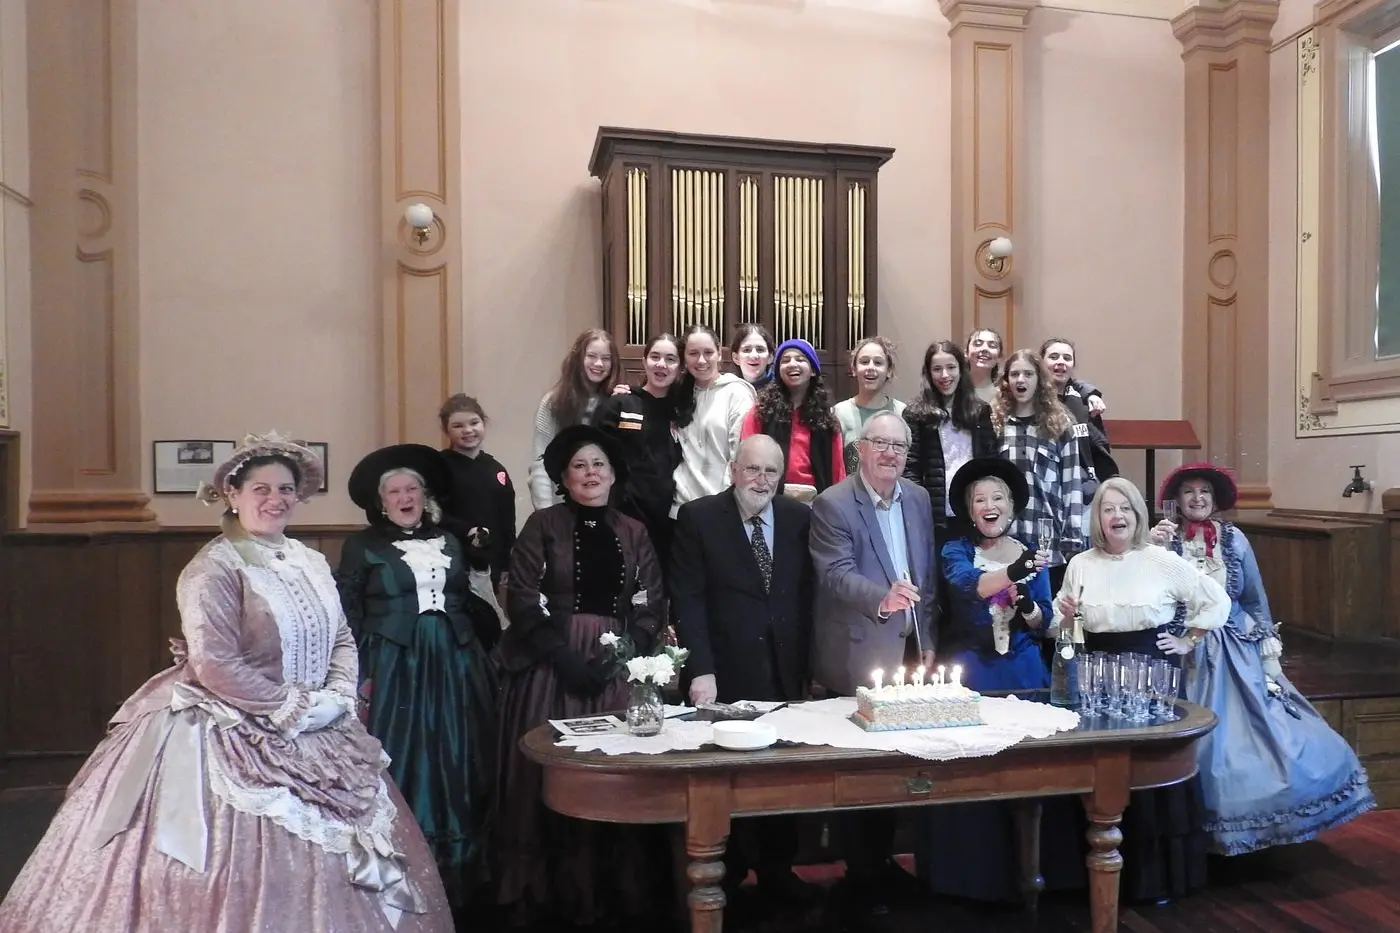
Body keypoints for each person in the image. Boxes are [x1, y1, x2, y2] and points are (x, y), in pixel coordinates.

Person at [0, 433, 453, 933]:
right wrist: (295, 709)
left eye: (286, 489)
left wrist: (339, 697)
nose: (275, 499)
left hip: (323, 726)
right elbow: (214, 663)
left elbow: (342, 635)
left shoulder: (308, 560)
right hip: (234, 725)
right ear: (232, 495)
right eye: (261, 489)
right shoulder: (213, 568)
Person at [494, 425, 669, 928]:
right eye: (579, 466)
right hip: (553, 668)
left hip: (615, 671)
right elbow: (523, 596)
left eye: (598, 465)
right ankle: (546, 891)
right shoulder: (542, 525)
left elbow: (651, 601)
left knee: (616, 778)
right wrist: (563, 657)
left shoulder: (633, 530)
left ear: (613, 474)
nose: (590, 473)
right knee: (549, 775)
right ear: (564, 478)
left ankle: (616, 889)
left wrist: (622, 655)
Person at [1151, 463, 1374, 855]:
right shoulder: (1165, 544)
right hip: (1186, 651)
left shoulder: (1235, 540)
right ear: (1176, 501)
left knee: (1265, 734)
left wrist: (1269, 656)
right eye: (1188, 491)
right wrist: (1150, 549)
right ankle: (1193, 837)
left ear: (1215, 498)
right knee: (1199, 743)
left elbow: (1255, 600)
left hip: (1236, 649)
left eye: (1205, 490)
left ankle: (1259, 824)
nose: (1197, 498)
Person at [917, 458, 1089, 902]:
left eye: (997, 499)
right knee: (973, 773)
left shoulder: (1030, 548)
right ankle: (973, 879)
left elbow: (1044, 619)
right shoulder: (955, 549)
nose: (989, 506)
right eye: (980, 500)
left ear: (1011, 507)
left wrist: (1029, 606)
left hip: (1025, 672)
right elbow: (968, 584)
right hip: (972, 674)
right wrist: (1016, 572)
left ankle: (1044, 872)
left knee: (1034, 771)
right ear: (970, 511)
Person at [336, 444, 499, 911]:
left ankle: (462, 863)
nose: (404, 497)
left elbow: (467, 594)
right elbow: (349, 607)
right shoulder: (362, 545)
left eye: (411, 489)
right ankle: (402, 859)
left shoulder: (449, 541)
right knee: (405, 751)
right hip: (395, 663)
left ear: (423, 496)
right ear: (381, 500)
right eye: (394, 491)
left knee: (460, 749)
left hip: (455, 660)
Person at [1054, 478, 1229, 903]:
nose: (1117, 516)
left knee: (1150, 773)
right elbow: (1068, 631)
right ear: (1097, 518)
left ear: (1137, 516)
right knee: (1106, 773)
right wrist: (1067, 619)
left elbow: (1216, 602)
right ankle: (1097, 874)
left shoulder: (1161, 561)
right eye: (1108, 509)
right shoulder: (1080, 564)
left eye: (1126, 509)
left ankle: (1155, 881)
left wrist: (1188, 640)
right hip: (1097, 675)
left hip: (1152, 672)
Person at [671, 435, 816, 905]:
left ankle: (778, 871)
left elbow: (808, 596)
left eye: (771, 471)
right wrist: (700, 670)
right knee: (727, 776)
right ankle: (726, 874)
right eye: (752, 469)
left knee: (781, 779)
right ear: (733, 470)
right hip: (724, 673)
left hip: (784, 673)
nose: (761, 480)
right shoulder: (698, 518)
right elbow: (688, 601)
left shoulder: (798, 518)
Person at [809, 410, 938, 915]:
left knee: (899, 765)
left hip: (911, 648)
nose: (890, 454)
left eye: (899, 447)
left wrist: (929, 638)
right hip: (859, 648)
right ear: (859, 448)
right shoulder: (833, 503)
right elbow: (834, 574)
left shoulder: (920, 499)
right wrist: (882, 598)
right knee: (859, 768)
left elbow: (923, 572)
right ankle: (860, 877)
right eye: (880, 443)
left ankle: (883, 864)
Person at [595, 332, 684, 579]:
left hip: (668, 519)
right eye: (655, 357)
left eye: (670, 359)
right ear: (644, 361)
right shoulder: (622, 403)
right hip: (625, 515)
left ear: (680, 367)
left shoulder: (683, 411)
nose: (661, 365)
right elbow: (598, 457)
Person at [903, 339, 999, 534]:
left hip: (974, 512)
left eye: (951, 367)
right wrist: (921, 508)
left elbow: (991, 462)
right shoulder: (916, 413)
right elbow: (910, 468)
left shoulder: (979, 410)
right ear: (928, 373)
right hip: (933, 517)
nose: (944, 375)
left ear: (961, 369)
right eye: (937, 369)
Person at [527, 328, 623, 510]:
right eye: (592, 356)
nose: (599, 364)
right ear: (578, 358)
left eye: (606, 358)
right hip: (562, 503)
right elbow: (540, 464)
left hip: (606, 506)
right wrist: (546, 514)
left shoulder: (617, 401)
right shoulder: (553, 402)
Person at [740, 337, 846, 501]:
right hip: (769, 498)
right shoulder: (760, 412)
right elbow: (747, 457)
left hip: (815, 501)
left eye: (800, 359)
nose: (792, 364)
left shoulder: (826, 419)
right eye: (785, 360)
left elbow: (837, 469)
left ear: (812, 370)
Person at [672, 324, 757, 514]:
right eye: (693, 353)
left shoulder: (736, 392)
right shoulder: (678, 393)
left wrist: (727, 502)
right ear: (684, 357)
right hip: (681, 505)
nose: (701, 360)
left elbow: (740, 454)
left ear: (719, 353)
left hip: (721, 505)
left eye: (708, 352)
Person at [438, 393, 516, 587]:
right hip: (451, 561)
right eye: (458, 426)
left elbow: (507, 519)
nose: (468, 430)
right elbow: (434, 514)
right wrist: (466, 531)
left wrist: (507, 562)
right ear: (446, 430)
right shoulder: (438, 466)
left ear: (483, 423)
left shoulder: (496, 469)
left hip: (491, 564)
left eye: (474, 422)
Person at [1039, 337, 1117, 498]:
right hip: (1043, 491)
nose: (1061, 362)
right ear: (1040, 363)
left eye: (1067, 358)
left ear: (1073, 366)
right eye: (1053, 357)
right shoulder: (1030, 401)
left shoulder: (1083, 403)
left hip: (1081, 492)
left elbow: (1099, 450)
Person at [832, 336, 905, 476]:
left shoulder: (903, 413)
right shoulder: (838, 413)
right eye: (864, 362)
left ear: (889, 370)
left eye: (878, 363)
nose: (871, 367)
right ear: (854, 369)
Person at [965, 327, 1004, 404]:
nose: (984, 349)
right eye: (978, 344)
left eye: (992, 345)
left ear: (999, 356)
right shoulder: (953, 388)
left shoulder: (1004, 394)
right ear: (966, 353)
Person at [730, 322, 774, 387]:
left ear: (770, 357)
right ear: (736, 358)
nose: (754, 356)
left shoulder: (783, 391)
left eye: (760, 350)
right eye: (746, 350)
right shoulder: (727, 390)